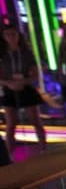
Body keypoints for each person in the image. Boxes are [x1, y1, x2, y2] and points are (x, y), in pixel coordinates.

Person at [1, 21, 47, 152]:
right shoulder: (2, 55)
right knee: (11, 124)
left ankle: (43, 149)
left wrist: (24, 81)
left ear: (18, 36)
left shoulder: (27, 53)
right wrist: (9, 83)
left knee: (36, 121)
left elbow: (35, 75)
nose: (11, 37)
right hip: (9, 90)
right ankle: (10, 153)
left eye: (13, 34)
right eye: (7, 34)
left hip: (26, 88)